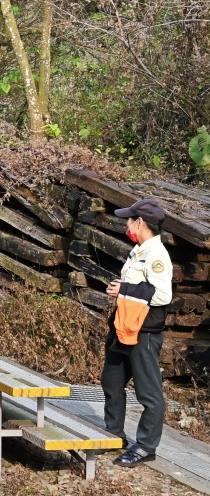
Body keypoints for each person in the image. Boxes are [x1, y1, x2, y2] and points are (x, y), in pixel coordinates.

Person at [102, 197, 174, 467]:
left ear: (140, 222)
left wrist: (125, 290)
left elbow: (163, 295)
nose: (127, 224)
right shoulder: (139, 249)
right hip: (123, 327)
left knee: (148, 394)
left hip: (143, 333)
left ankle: (146, 447)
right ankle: (112, 434)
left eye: (129, 220)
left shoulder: (157, 255)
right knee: (111, 380)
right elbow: (139, 286)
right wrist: (123, 286)